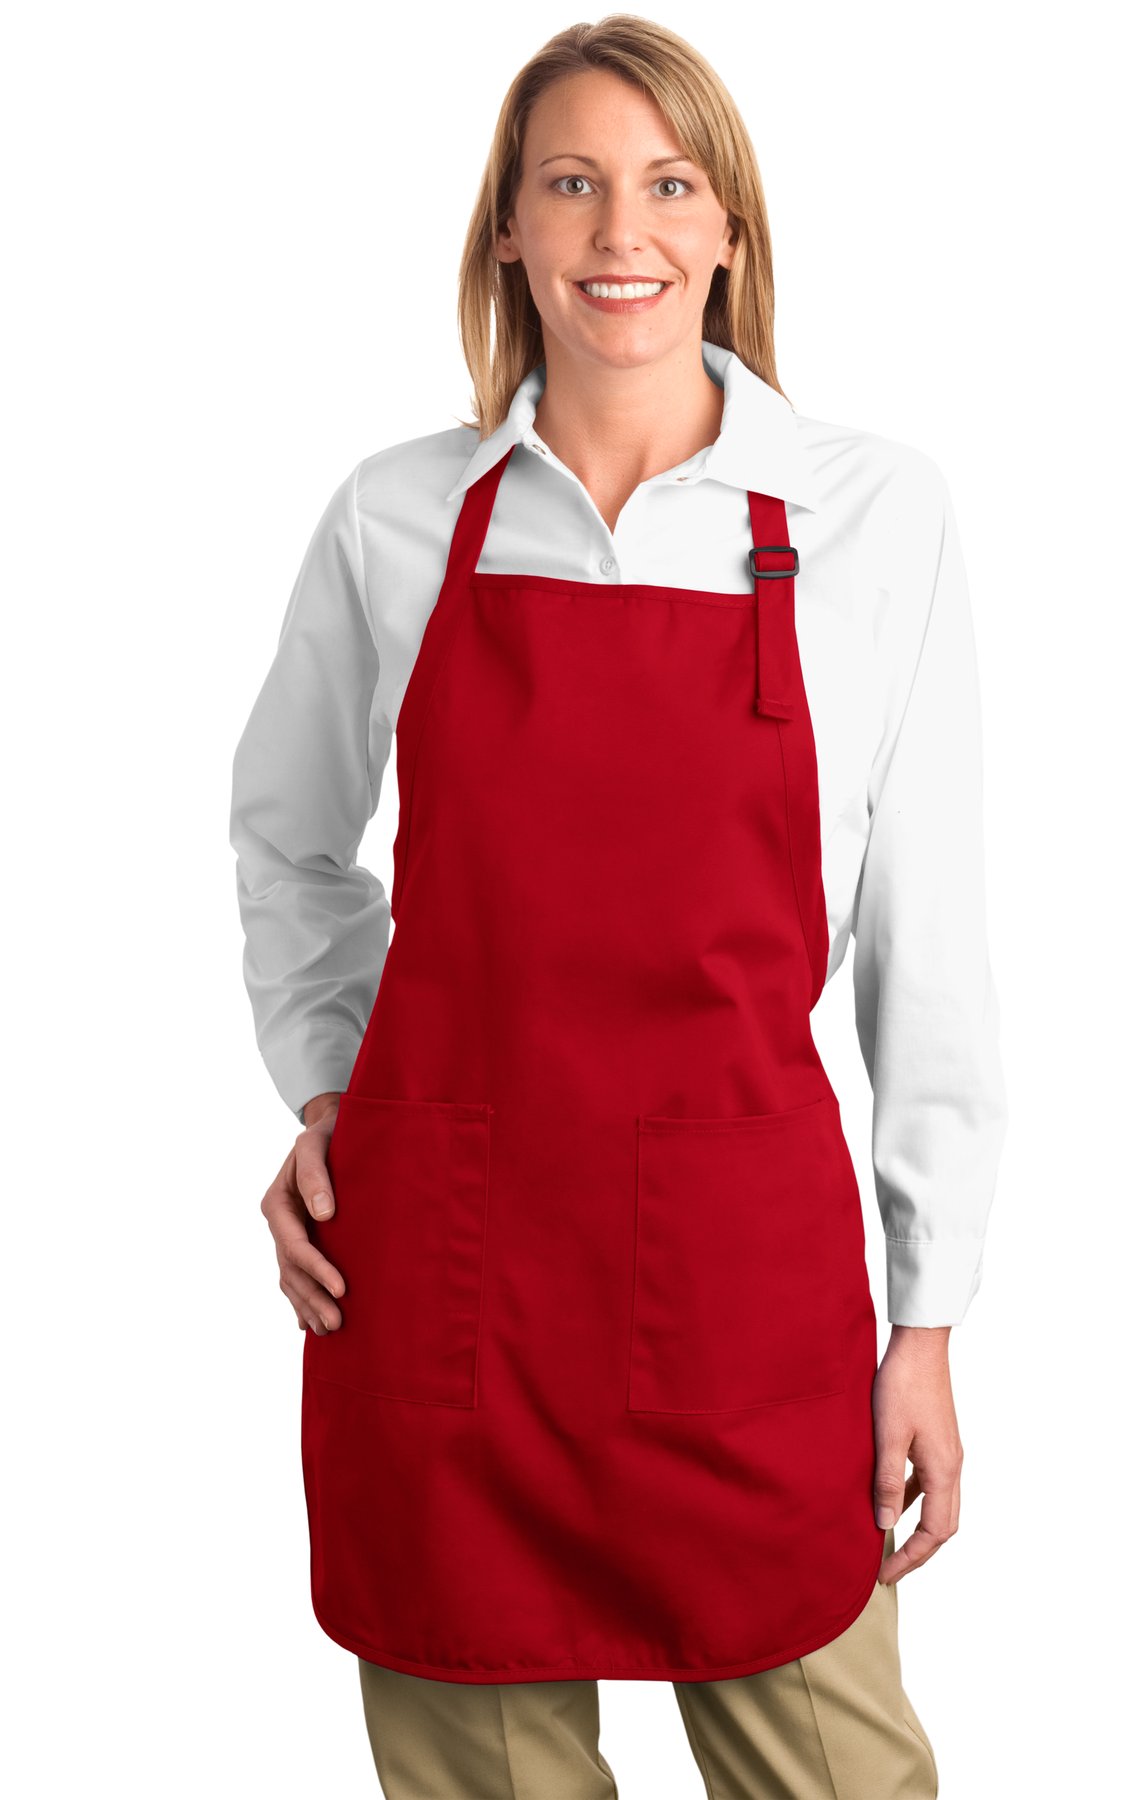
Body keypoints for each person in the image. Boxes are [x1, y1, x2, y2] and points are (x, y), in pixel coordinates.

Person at [229, 15, 1006, 1797]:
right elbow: (286, 839)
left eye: (667, 184)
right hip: (443, 1284)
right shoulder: (399, 517)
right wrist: (335, 1089)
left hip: (744, 1290)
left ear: (729, 226)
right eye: (570, 184)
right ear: (507, 229)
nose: (619, 232)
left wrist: (930, 1317)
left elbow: (931, 946)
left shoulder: (870, 514)